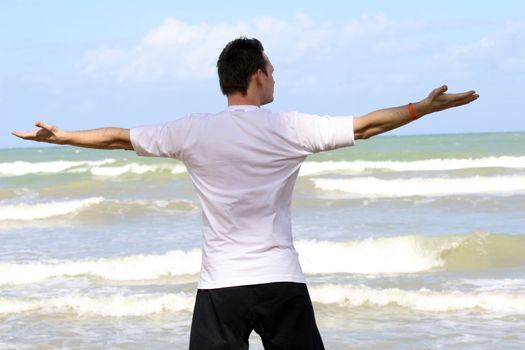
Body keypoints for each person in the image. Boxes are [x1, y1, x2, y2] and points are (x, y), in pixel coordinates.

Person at [12, 37, 479, 349]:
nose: (275, 78)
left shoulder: (192, 131)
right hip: (280, 281)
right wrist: (422, 108)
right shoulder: (290, 128)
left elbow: (118, 137)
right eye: (272, 70)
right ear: (257, 75)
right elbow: (368, 126)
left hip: (220, 288)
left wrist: (64, 136)